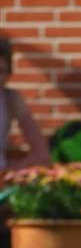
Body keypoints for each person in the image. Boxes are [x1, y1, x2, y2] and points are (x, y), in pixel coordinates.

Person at [0, 37, 51, 170]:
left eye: (0, 71)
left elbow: (41, 154)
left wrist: (9, 173)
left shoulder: (11, 99)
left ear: (9, 74)